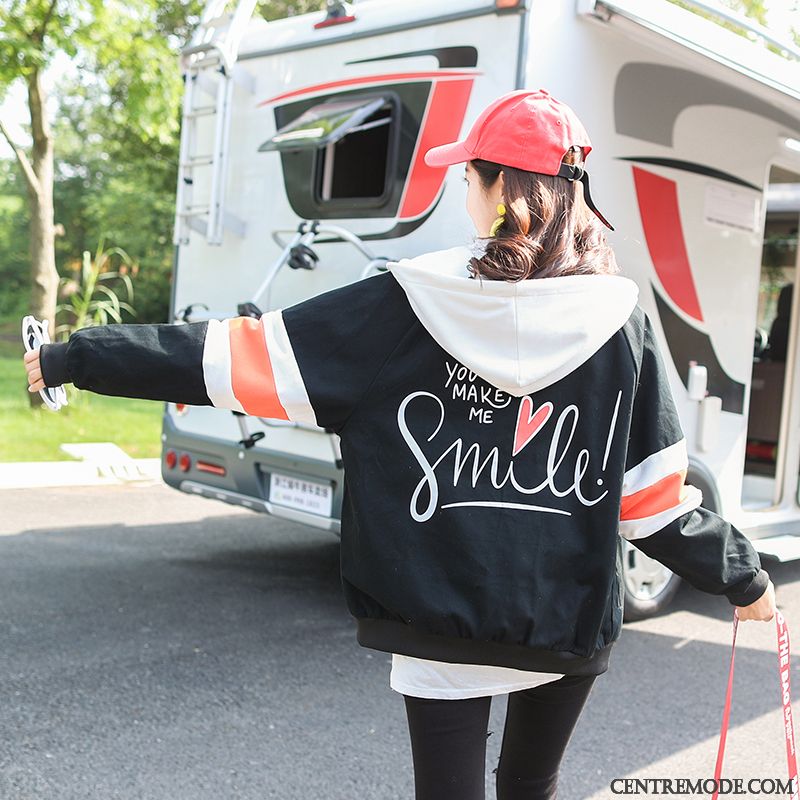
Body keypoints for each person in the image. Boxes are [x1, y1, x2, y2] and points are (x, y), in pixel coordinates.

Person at [24, 88, 776, 800]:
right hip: (565, 622)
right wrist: (744, 577)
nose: (463, 192)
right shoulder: (625, 325)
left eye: (468, 177)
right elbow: (653, 509)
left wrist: (72, 358)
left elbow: (228, 358)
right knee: (530, 789)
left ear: (496, 191)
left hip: (437, 626)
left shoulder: (405, 303)